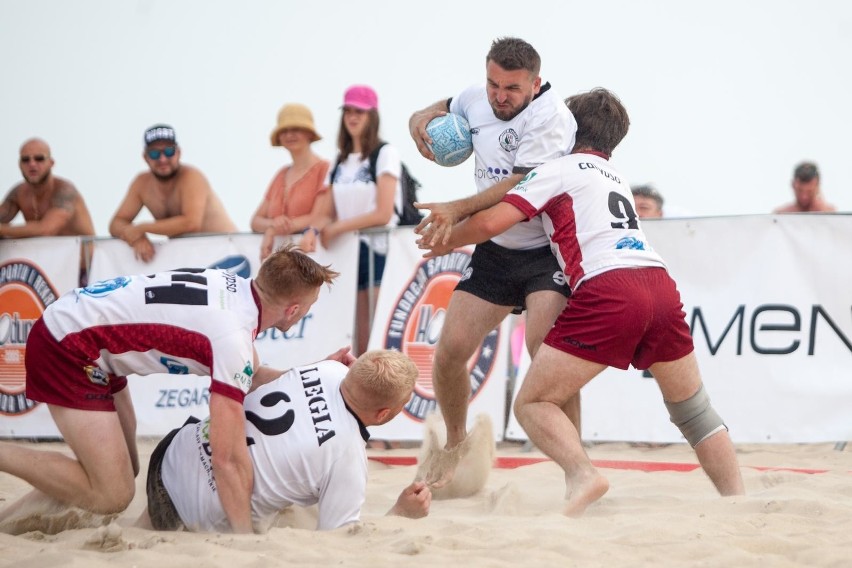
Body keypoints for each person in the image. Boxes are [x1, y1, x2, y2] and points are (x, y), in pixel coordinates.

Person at [419, 87, 745, 515]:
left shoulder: (558, 169)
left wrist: (444, 240)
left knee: (532, 403)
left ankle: (582, 474)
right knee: (694, 411)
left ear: (568, 128)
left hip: (610, 288)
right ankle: (741, 503)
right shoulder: (615, 176)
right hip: (659, 284)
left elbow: (490, 222)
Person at [0, 244, 340, 533]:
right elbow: (226, 459)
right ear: (293, 310)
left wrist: (318, 371)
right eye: (309, 305)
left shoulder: (235, 292)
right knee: (112, 494)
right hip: (69, 346)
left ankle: (8, 524)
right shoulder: (232, 335)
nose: (307, 312)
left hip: (85, 329)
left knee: (118, 474)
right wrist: (244, 540)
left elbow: (250, 376)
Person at [407, 37, 578, 489]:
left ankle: (576, 469)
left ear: (535, 84)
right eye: (493, 84)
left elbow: (519, 189)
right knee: (448, 354)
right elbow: (436, 105)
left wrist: (457, 210)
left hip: (545, 250)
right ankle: (457, 446)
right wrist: (419, 122)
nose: (500, 96)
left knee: (551, 357)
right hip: (497, 253)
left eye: (512, 89)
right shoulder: (474, 98)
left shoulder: (552, 118)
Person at [139, 350, 431, 533]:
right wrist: (401, 513)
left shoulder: (328, 369)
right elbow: (338, 540)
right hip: (189, 515)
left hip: (169, 454)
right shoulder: (348, 457)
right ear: (382, 414)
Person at [301, 85, 402, 356]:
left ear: (372, 116)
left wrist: (337, 227)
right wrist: (312, 229)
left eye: (360, 111)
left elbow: (383, 213)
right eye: (348, 111)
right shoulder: (339, 160)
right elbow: (324, 211)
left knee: (378, 332)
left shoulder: (385, 153)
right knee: (357, 335)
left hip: (381, 251)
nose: (352, 117)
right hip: (352, 254)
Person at [108, 124, 238, 262]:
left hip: (226, 254)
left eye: (169, 151)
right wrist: (137, 239)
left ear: (179, 153)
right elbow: (116, 223)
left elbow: (191, 223)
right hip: (189, 258)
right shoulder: (142, 184)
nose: (162, 159)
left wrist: (142, 228)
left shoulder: (191, 177)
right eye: (154, 153)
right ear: (145, 157)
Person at [0, 138, 96, 284]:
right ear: (20, 164)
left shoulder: (64, 190)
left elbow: (47, 229)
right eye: (26, 159)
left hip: (83, 273)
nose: (32, 164)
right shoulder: (19, 193)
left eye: (39, 158)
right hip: (46, 273)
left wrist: (3, 230)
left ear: (51, 163)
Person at [251, 103, 331, 260]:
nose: (289, 135)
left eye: (296, 129)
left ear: (309, 133)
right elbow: (255, 221)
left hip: (313, 259)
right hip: (280, 265)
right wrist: (273, 225)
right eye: (284, 130)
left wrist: (273, 229)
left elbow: (320, 216)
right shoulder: (281, 174)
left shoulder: (325, 169)